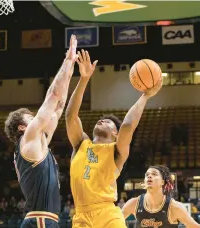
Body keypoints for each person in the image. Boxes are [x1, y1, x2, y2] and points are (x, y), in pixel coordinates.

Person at [65, 49, 162, 228]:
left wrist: (146, 96)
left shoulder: (116, 151)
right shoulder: (81, 144)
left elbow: (127, 126)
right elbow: (70, 116)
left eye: (109, 122)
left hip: (108, 215)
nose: (102, 120)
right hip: (81, 217)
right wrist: (84, 78)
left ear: (116, 134)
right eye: (101, 120)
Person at [4, 35, 78, 228]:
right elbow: (52, 96)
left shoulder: (40, 141)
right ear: (22, 127)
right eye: (31, 117)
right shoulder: (28, 138)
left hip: (44, 219)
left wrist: (70, 71)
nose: (36, 117)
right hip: (40, 219)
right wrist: (67, 61)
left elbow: (59, 105)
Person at [122, 165, 200, 228]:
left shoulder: (175, 207)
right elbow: (113, 222)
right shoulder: (133, 203)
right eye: (147, 175)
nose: (149, 176)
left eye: (154, 174)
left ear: (162, 182)